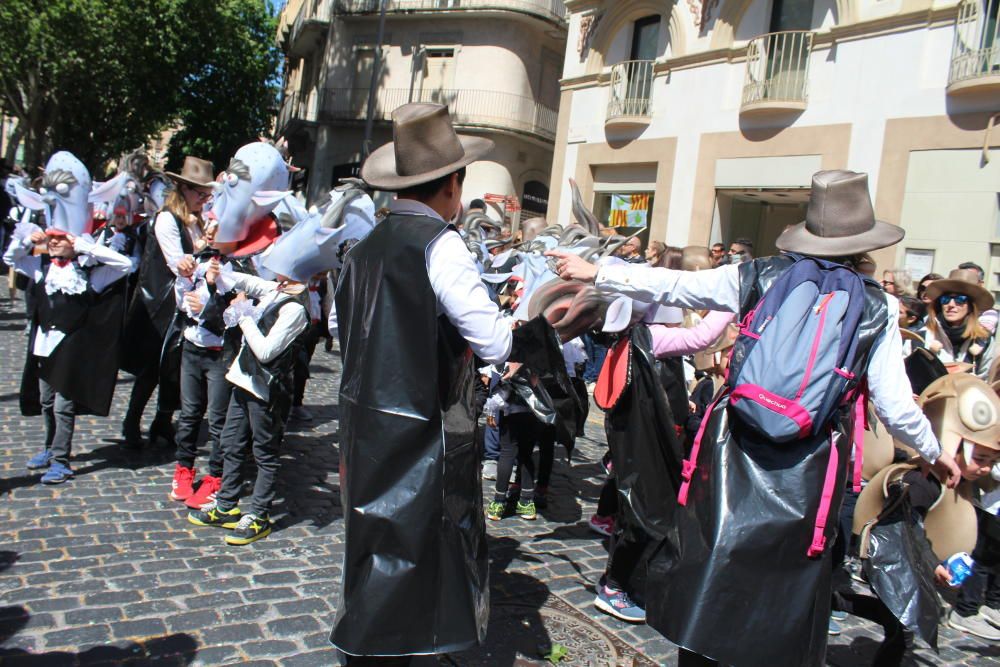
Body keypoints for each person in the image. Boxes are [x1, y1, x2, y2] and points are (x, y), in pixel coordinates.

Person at [548, 170, 961, 667]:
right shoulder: (878, 306)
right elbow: (896, 407)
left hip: (733, 451)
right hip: (806, 471)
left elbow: (681, 286)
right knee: (780, 591)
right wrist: (936, 454)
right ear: (864, 244)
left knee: (713, 567)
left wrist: (600, 273)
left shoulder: (761, 275)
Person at [330, 103, 517, 664]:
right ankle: (402, 646)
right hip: (423, 429)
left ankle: (367, 640)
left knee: (371, 539)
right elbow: (494, 342)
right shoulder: (443, 243)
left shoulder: (362, 249)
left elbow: (341, 327)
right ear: (453, 185)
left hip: (365, 423)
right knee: (419, 548)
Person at [5, 152, 132, 484]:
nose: (56, 244)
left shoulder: (88, 272)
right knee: (46, 400)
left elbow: (124, 265)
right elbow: (10, 258)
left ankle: (61, 458)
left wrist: (83, 246)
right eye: (53, 238)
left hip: (72, 347)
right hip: (43, 343)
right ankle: (50, 448)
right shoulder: (42, 268)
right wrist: (25, 239)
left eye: (62, 239)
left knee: (63, 403)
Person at [121, 156, 214, 450]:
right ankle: (131, 422)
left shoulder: (196, 221)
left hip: (182, 305)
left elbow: (196, 256)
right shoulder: (166, 219)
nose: (204, 199)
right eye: (199, 193)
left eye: (207, 194)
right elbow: (178, 263)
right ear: (183, 189)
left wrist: (207, 244)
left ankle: (162, 422)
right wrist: (204, 250)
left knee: (174, 369)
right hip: (158, 305)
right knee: (151, 369)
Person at [923, 268, 995, 378]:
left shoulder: (984, 340)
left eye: (960, 299)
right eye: (946, 299)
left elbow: (985, 381)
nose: (951, 304)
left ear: (971, 306)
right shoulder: (922, 336)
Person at [959, 261, 998, 335]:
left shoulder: (988, 313)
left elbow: (980, 333)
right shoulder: (945, 302)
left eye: (969, 279)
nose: (963, 284)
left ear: (980, 284)